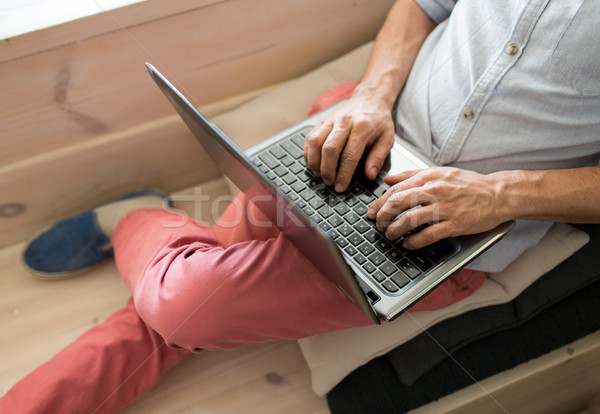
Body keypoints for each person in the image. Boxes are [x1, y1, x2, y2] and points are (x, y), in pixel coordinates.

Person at [2, 0, 599, 412]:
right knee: (175, 314)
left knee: (177, 312)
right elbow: (428, 5)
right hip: (362, 136)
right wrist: (370, 97)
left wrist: (500, 194)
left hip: (447, 229)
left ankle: (137, 220)